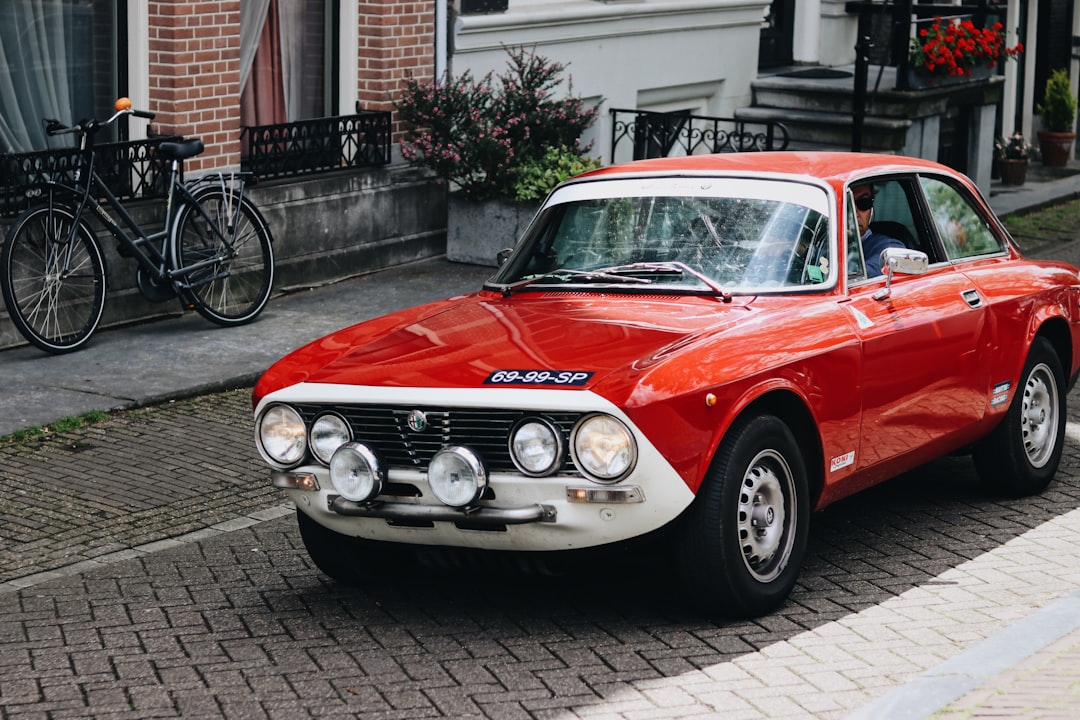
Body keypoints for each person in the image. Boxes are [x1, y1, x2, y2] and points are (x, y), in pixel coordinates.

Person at [852, 184, 905, 277]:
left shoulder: (888, 247)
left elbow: (895, 257)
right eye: (846, 205)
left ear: (871, 209)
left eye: (864, 203)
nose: (854, 213)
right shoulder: (824, 245)